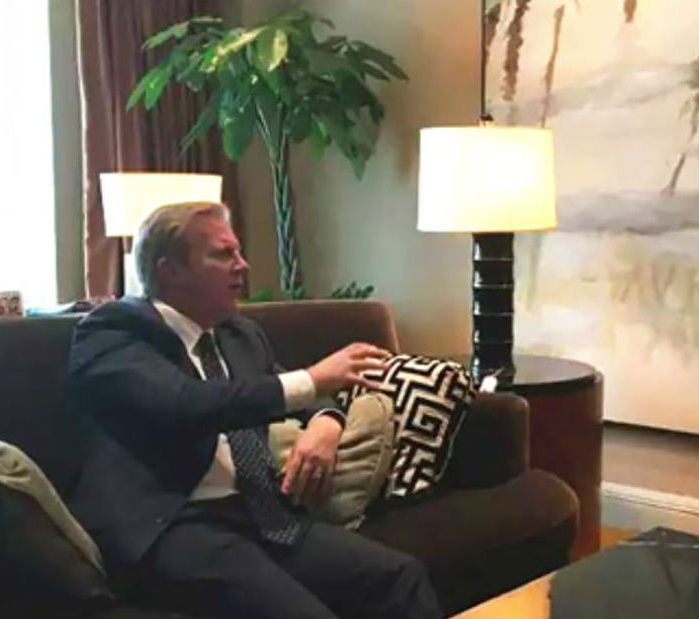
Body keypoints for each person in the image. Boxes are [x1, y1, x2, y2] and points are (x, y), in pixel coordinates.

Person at [67, 202, 441, 619]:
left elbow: (285, 389)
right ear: (170, 269)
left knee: (400, 576)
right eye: (223, 254)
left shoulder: (238, 334)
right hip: (174, 524)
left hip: (258, 513)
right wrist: (314, 379)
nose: (242, 266)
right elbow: (184, 404)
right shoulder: (113, 333)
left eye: (239, 253)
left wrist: (326, 422)